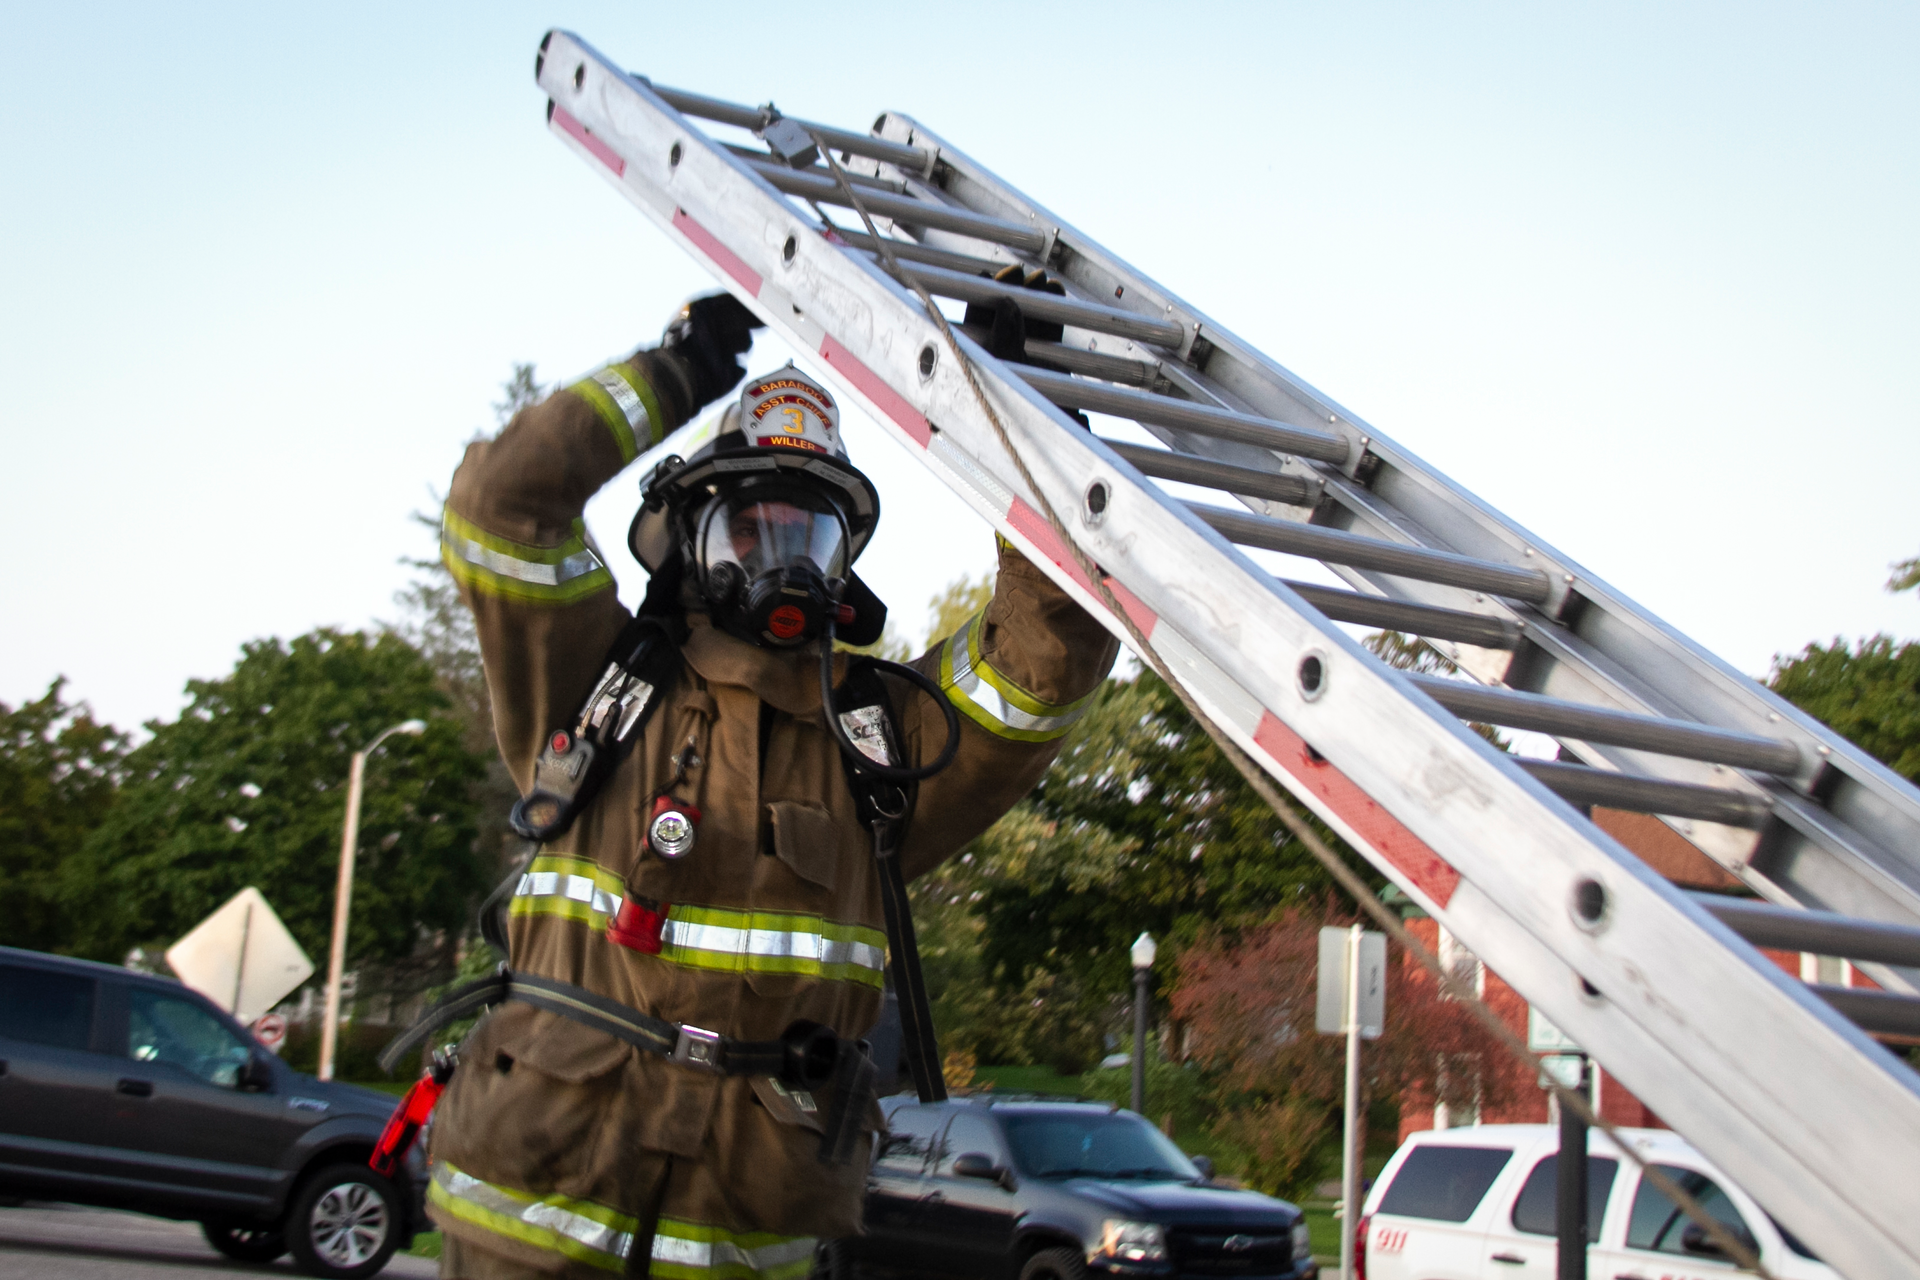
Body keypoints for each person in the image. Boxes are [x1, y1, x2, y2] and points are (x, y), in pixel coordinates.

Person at [426, 293, 1118, 1278]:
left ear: (844, 561)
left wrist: (1018, 419)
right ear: (695, 532)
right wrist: (679, 372)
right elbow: (499, 510)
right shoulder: (596, 677)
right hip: (525, 1231)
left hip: (742, 1242)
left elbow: (1048, 653)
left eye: (812, 530)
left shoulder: (884, 742)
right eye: (755, 525)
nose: (783, 556)